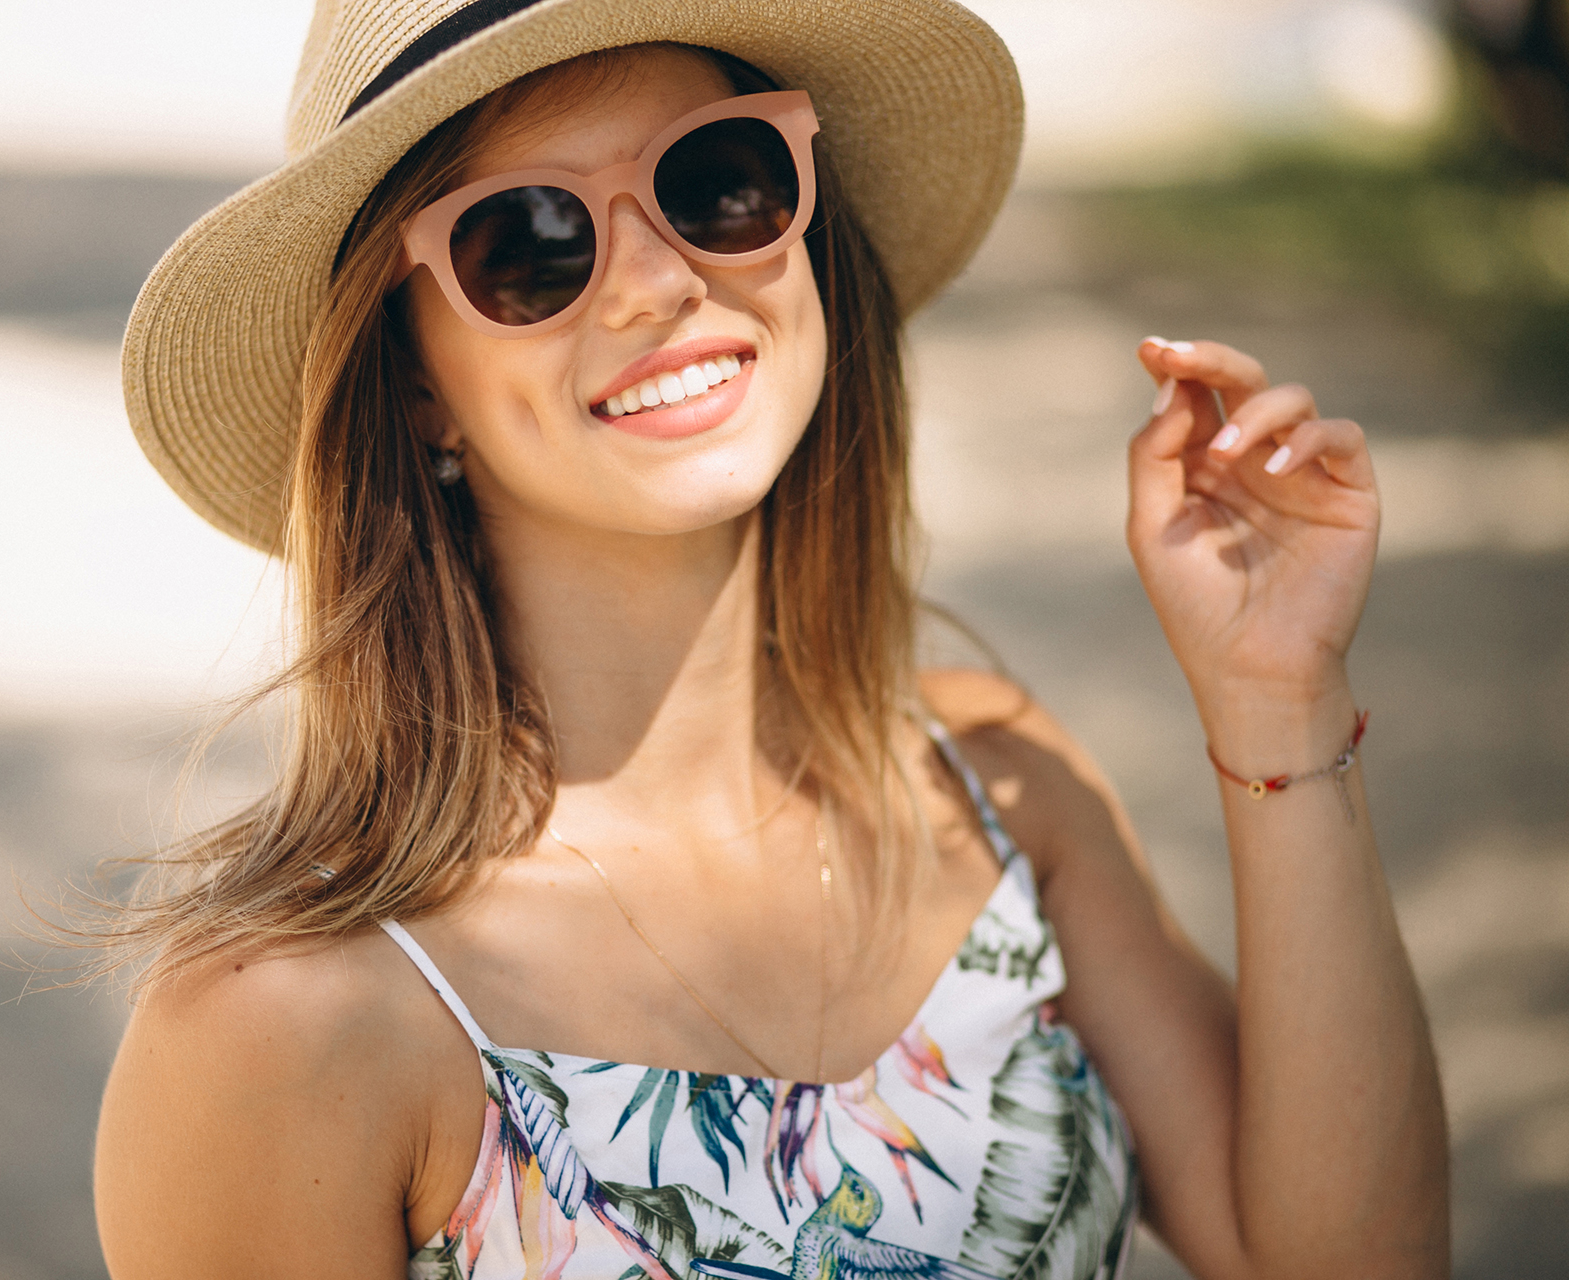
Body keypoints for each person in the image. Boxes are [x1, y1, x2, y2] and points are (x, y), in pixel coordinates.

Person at [90, 1, 1449, 1276]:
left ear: (805, 233)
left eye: (717, 180)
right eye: (527, 245)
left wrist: (1278, 699)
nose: (653, 284)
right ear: (413, 384)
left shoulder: (997, 791)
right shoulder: (289, 1024)